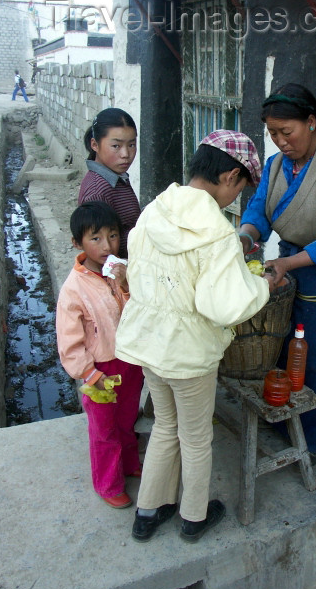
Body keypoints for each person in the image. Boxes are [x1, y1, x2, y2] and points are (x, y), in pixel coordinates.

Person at [115, 130, 274, 543]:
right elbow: (224, 306)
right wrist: (262, 288)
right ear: (229, 177)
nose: (234, 198)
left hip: (150, 345)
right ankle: (193, 517)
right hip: (188, 355)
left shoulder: (154, 211)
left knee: (165, 426)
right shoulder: (217, 232)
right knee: (197, 437)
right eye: (239, 187)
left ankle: (147, 512)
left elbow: (137, 269)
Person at [239, 83, 316, 457]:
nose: (280, 141)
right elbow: (258, 212)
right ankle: (288, 428)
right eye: (273, 134)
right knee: (288, 351)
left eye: (287, 132)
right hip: (290, 266)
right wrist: (244, 240)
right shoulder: (278, 166)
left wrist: (285, 263)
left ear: (311, 123)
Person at [56, 201, 144, 508]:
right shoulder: (73, 289)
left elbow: (136, 310)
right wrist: (89, 373)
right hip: (99, 370)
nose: (107, 245)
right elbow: (69, 343)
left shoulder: (118, 271)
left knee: (127, 418)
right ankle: (108, 484)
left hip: (129, 362)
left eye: (113, 235)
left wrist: (126, 284)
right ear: (77, 243)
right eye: (95, 238)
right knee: (104, 430)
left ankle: (130, 462)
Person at [78, 108, 141, 259]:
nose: (125, 154)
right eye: (116, 146)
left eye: (131, 145)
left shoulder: (117, 178)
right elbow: (101, 253)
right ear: (95, 145)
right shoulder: (97, 191)